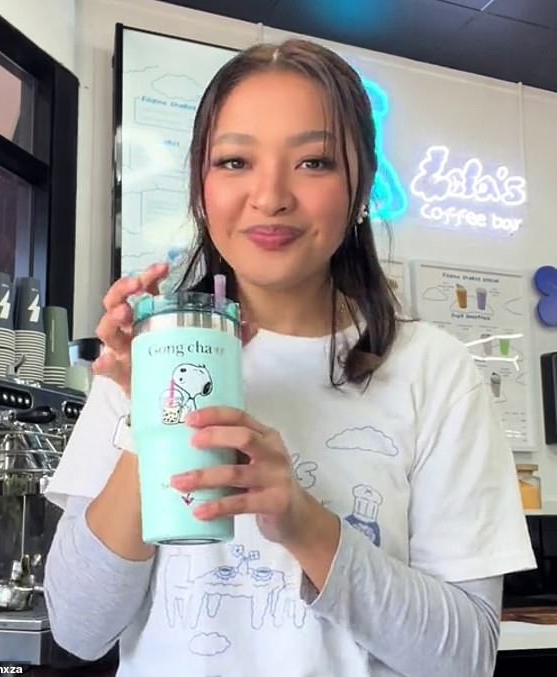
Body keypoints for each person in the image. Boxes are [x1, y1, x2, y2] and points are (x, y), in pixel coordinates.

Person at [43, 39, 535, 676]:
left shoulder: (434, 371)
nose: (270, 195)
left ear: (362, 185)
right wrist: (151, 420)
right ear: (201, 185)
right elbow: (79, 630)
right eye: (235, 160)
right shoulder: (150, 354)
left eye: (313, 162)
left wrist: (300, 518)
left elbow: (466, 658)